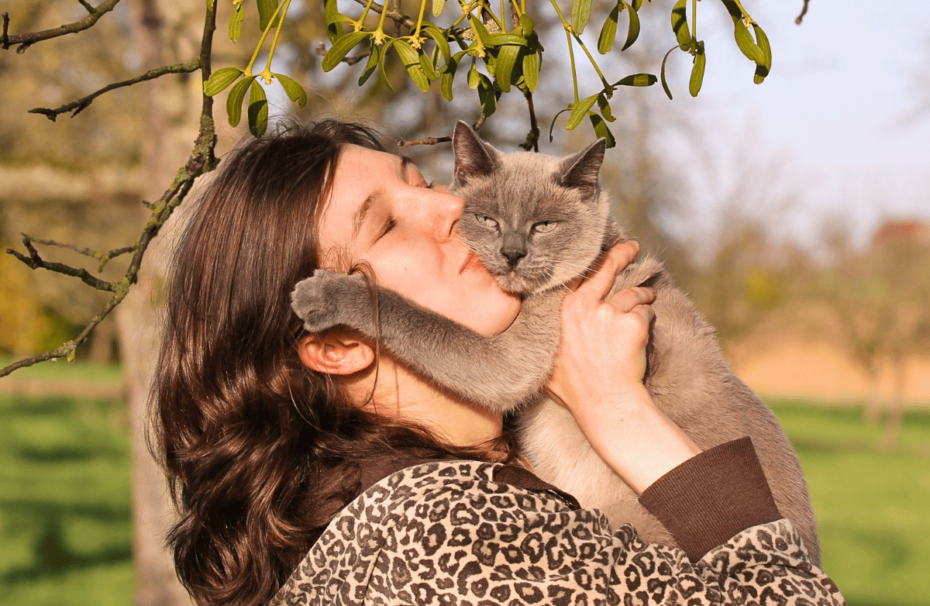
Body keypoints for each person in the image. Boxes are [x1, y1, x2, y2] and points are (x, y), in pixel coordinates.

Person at [152, 120, 846, 606]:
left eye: (423, 180)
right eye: (388, 223)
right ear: (336, 340)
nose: (448, 209)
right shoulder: (438, 536)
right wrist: (620, 411)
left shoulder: (417, 500)